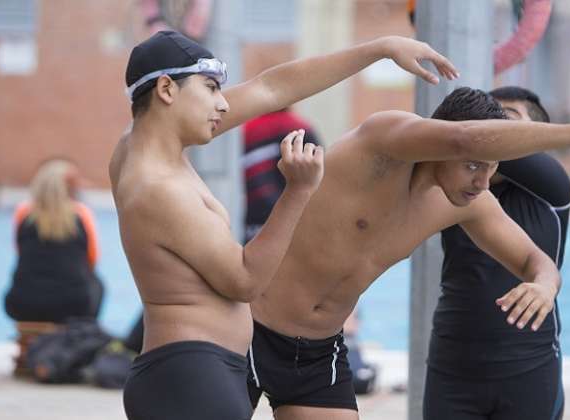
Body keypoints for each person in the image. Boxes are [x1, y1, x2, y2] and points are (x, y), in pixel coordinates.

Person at [247, 87, 570, 420]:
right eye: (473, 166)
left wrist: (545, 286)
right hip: (247, 331)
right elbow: (465, 136)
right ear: (439, 141)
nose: (482, 182)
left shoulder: (465, 203)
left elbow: (538, 261)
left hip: (318, 355)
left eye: (492, 167)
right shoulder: (381, 140)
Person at [110, 30, 458, 420]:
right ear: (166, 89)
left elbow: (271, 88)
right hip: (191, 377)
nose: (223, 104)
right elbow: (244, 280)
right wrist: (298, 191)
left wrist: (379, 49)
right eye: (210, 88)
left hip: (191, 371)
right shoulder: (160, 188)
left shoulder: (134, 151)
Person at [424, 86, 569, 420]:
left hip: (528, 365)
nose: (493, 128)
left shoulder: (553, 189)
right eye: (490, 119)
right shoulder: (451, 190)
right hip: (452, 364)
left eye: (508, 120)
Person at [5, 158, 104, 323]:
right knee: (97, 284)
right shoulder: (81, 213)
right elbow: (92, 259)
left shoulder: (23, 212)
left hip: (22, 304)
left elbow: (19, 252)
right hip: (74, 306)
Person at [244, 108, 322, 243]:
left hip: (248, 222)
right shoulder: (298, 127)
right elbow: (316, 176)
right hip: (288, 221)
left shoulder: (245, 129)